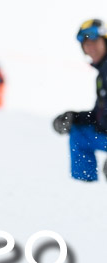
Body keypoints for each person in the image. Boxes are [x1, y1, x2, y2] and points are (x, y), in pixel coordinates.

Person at [53, 19, 107, 182]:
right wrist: (74, 117)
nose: (90, 47)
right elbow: (100, 115)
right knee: (79, 134)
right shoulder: (102, 74)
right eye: (86, 44)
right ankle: (84, 191)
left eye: (94, 42)